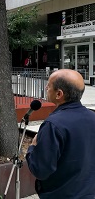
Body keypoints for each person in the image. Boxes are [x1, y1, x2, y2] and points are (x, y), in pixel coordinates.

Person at [26, 69, 95, 198]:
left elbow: (40, 170)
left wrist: (33, 148)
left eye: (49, 85)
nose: (46, 87)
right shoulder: (93, 117)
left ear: (59, 94)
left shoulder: (53, 125)